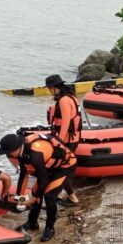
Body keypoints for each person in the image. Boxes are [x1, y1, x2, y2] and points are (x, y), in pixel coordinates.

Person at [0, 133, 77, 242]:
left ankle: (50, 228)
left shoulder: (35, 154)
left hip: (65, 166)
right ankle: (32, 223)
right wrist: (19, 198)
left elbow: (43, 181)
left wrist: (32, 200)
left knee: (49, 196)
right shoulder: (21, 153)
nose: (8, 155)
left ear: (17, 148)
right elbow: (23, 175)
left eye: (8, 152)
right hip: (50, 167)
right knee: (36, 193)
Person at [45, 74, 82, 207]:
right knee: (62, 168)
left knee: (62, 169)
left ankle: (72, 198)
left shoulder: (63, 100)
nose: (49, 91)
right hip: (73, 138)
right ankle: (61, 194)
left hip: (67, 140)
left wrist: (59, 141)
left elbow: (65, 122)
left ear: (55, 87)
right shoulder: (71, 96)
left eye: (50, 88)